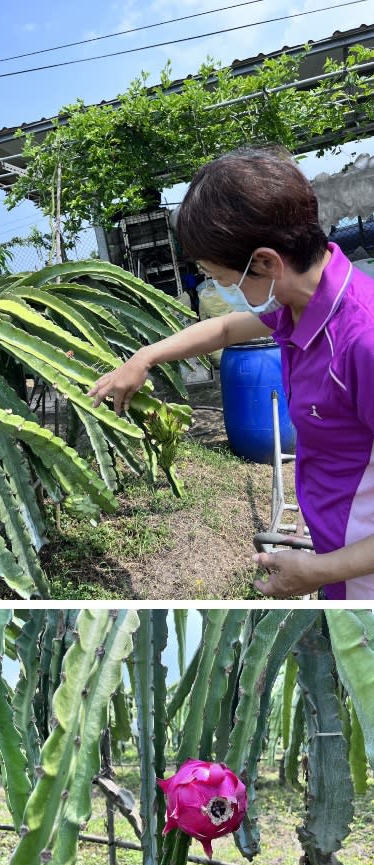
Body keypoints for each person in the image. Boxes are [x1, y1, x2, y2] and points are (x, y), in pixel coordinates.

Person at [88, 147, 374, 600]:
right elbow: (222, 328)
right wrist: (144, 357)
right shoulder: (298, 305)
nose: (220, 289)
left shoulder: (363, 341)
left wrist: (318, 571)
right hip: (339, 555)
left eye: (220, 277)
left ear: (264, 263)